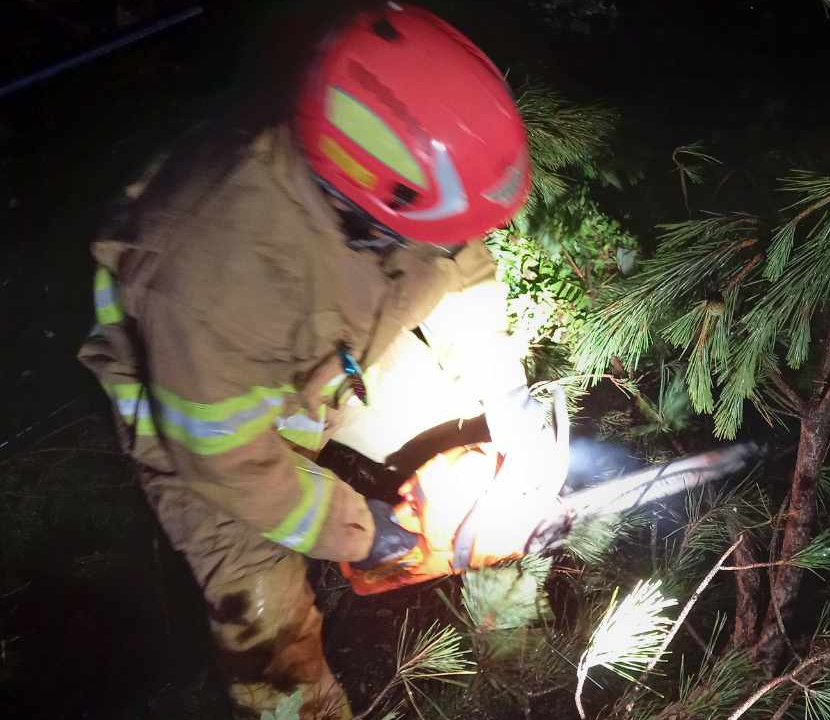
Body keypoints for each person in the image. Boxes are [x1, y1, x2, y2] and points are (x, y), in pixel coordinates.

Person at [77, 4, 555, 718]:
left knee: (485, 480)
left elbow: (459, 264)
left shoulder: (390, 179)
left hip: (331, 356)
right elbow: (223, 457)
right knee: (266, 620)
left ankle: (518, 661)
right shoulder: (209, 278)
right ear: (368, 204)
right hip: (200, 426)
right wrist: (354, 530)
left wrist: (503, 392)